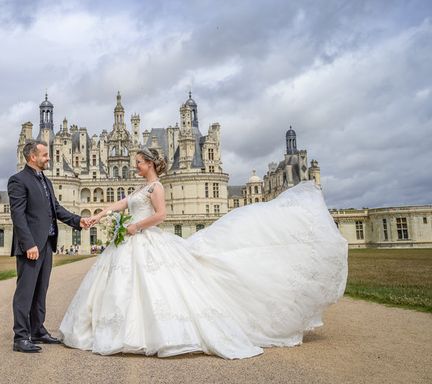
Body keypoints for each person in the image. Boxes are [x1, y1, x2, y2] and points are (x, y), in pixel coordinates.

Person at [59, 147, 348, 359]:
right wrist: (99, 215)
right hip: (133, 240)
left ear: (148, 163)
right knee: (126, 286)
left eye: (137, 162)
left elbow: (161, 215)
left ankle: (152, 333)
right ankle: (123, 331)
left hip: (144, 237)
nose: (135, 166)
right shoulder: (141, 187)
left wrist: (136, 226)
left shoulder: (157, 187)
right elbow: (121, 203)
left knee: (156, 286)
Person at [8, 139, 90, 353]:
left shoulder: (46, 181)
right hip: (32, 246)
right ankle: (20, 337)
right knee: (25, 292)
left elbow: (56, 209)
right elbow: (17, 215)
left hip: (46, 244)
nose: (49, 158)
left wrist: (77, 221)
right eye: (45, 155)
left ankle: (37, 330)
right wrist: (28, 244)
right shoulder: (18, 180)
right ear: (33, 157)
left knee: (40, 290)